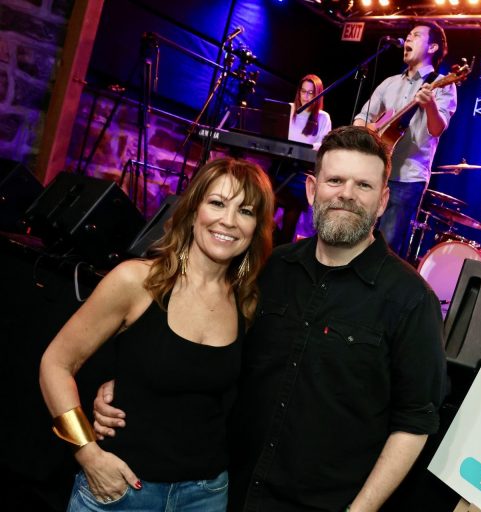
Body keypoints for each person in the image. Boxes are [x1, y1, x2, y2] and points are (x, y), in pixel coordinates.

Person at [94, 127, 447, 512]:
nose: (346, 194)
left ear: (382, 201)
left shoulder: (411, 300)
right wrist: (134, 384)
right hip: (225, 491)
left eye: (363, 185)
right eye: (335, 180)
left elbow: (414, 423)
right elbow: (214, 355)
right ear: (313, 190)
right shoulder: (271, 268)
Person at [39, 158, 274, 511]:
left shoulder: (246, 302)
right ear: (194, 210)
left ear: (256, 227)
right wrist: (87, 453)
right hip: (121, 490)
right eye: (217, 203)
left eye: (246, 211)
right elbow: (55, 364)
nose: (228, 220)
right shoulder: (138, 281)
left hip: (205, 495)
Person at [354, 21, 458, 259]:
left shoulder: (442, 84)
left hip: (408, 178)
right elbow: (362, 117)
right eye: (408, 35)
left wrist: (429, 103)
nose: (408, 39)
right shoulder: (390, 82)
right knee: (357, 238)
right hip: (374, 173)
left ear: (432, 48)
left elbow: (437, 128)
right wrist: (367, 133)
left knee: (386, 249)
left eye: (416, 35)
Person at [275, 74, 333, 245]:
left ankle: (283, 246)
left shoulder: (323, 117)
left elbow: (323, 146)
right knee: (268, 194)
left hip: (302, 172)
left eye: (310, 93)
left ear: (317, 96)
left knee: (294, 205)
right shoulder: (289, 109)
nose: (306, 97)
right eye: (303, 92)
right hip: (281, 165)